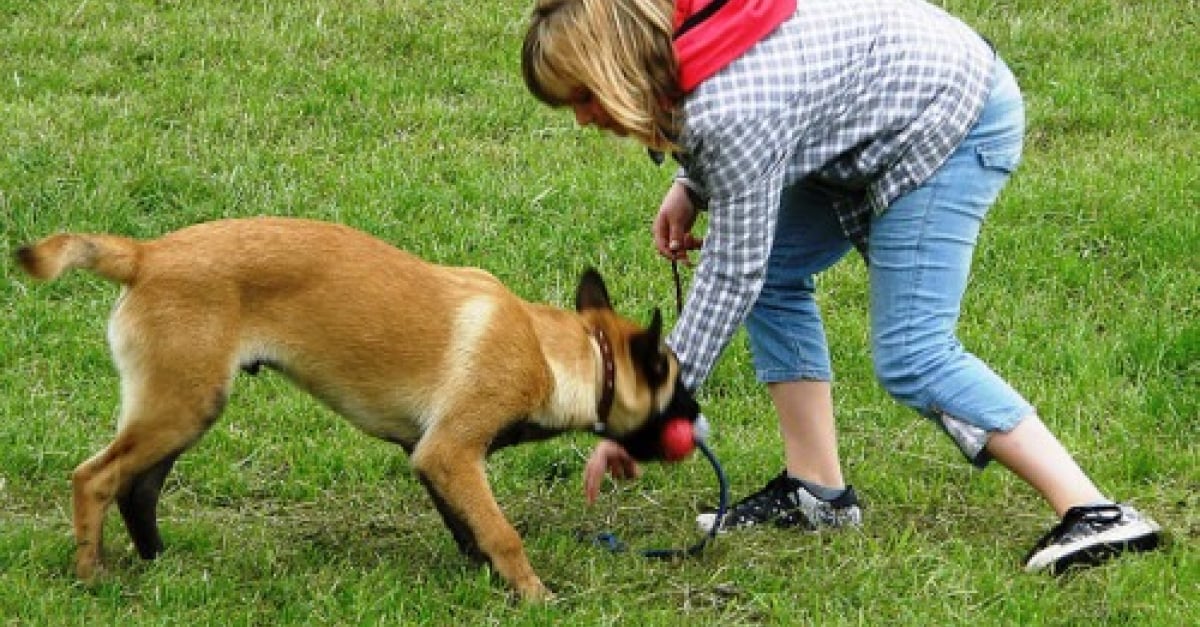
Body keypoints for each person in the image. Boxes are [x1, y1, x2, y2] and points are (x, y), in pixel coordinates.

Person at [521, 0, 1163, 574]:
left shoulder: (730, 108)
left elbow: (729, 273)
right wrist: (693, 186)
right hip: (869, 114)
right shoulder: (683, 43)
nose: (581, 119)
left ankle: (1097, 512)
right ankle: (817, 493)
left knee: (914, 354)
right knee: (775, 274)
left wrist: (651, 404)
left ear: (616, 68)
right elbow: (759, 125)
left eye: (583, 96)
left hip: (948, 119)